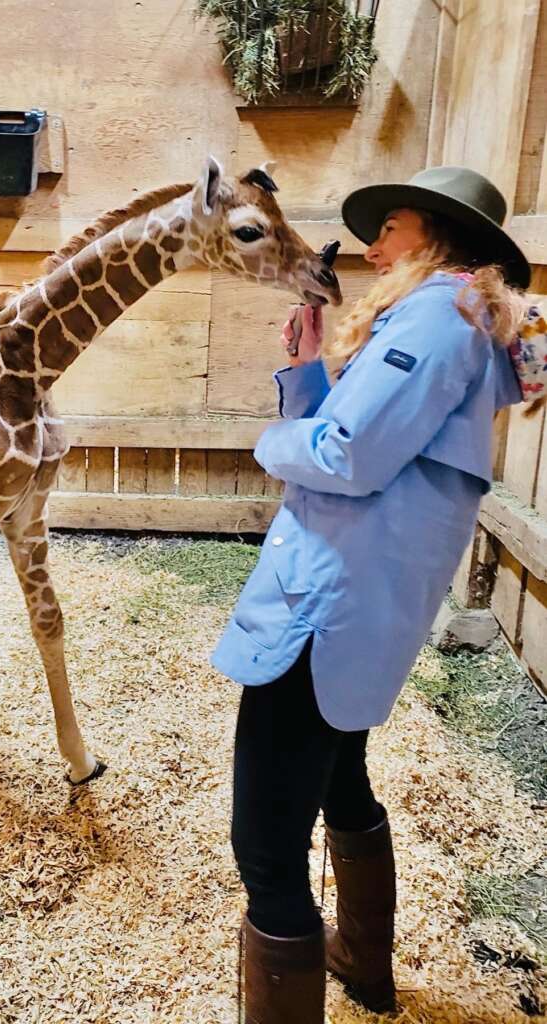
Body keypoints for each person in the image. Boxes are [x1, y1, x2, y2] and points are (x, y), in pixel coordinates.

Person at [210, 166, 534, 1023]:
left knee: (266, 848)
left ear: (432, 235)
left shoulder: (436, 313)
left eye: (387, 227)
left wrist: (269, 442)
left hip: (325, 604)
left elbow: (348, 455)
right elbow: (359, 429)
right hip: (361, 602)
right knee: (339, 777)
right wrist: (308, 365)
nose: (369, 245)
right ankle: (362, 970)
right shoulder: (461, 322)